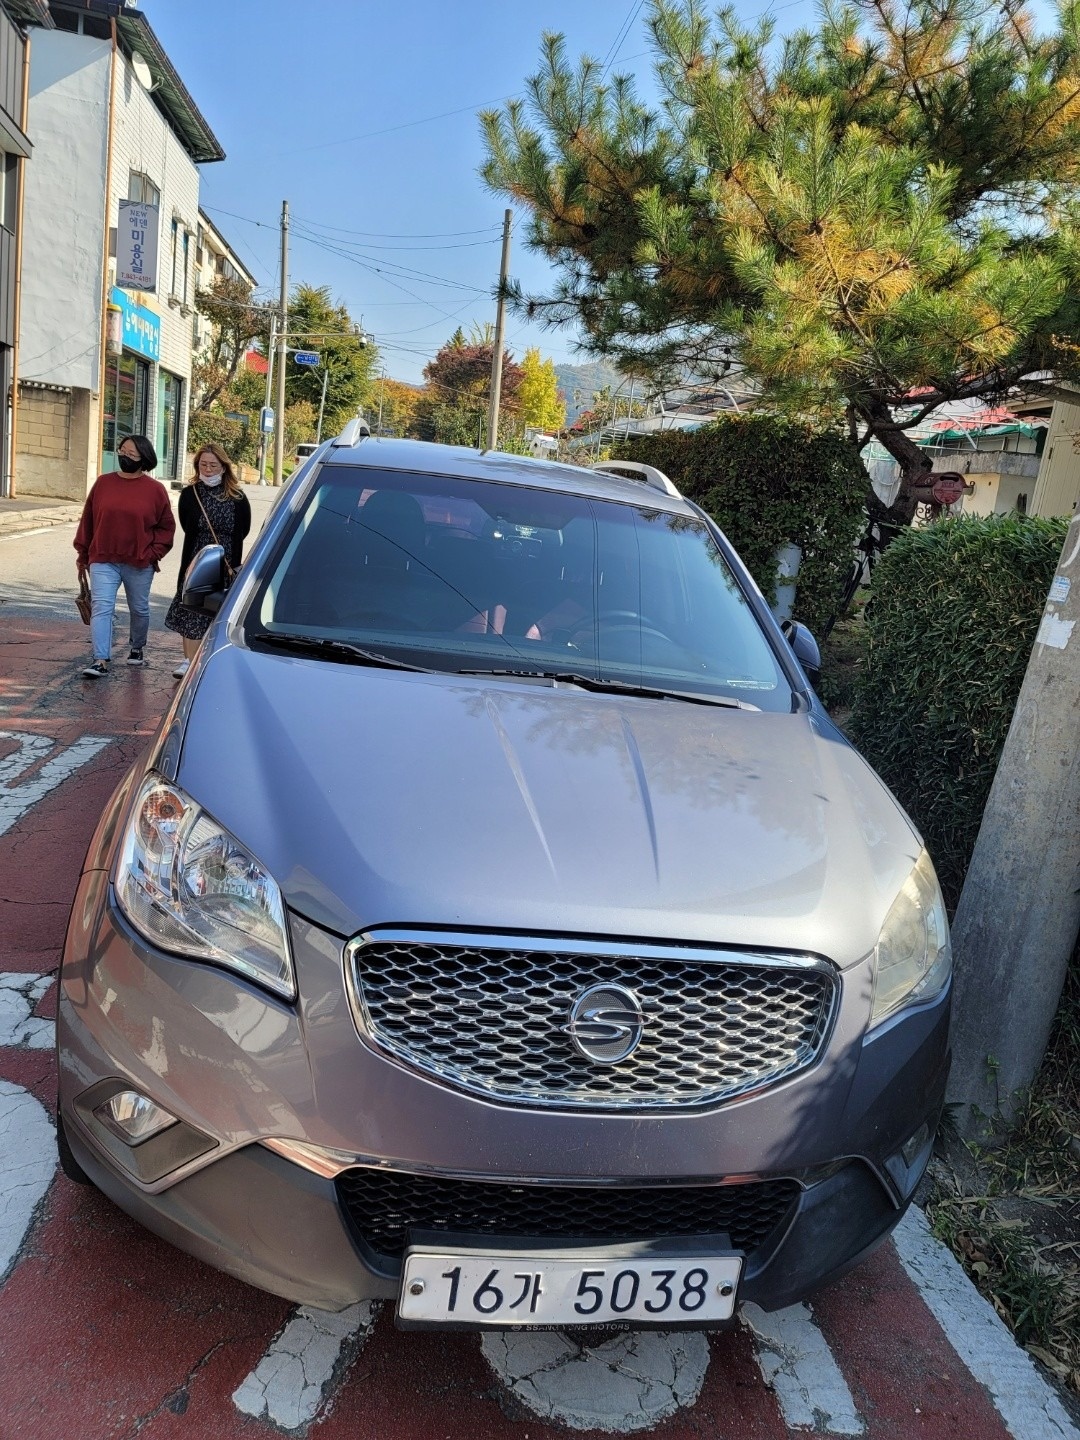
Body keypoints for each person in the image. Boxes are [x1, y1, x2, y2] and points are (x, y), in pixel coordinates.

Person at [74, 434, 175, 678]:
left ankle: (137, 647)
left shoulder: (155, 490)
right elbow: (88, 519)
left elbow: (166, 528)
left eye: (132, 454)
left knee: (139, 609)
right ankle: (100, 659)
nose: (125, 456)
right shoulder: (103, 483)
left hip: (139, 561)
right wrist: (83, 553)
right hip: (103, 558)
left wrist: (153, 553)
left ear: (144, 458)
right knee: (101, 607)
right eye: (122, 451)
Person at [165, 443, 252, 678]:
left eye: (213, 465)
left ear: (224, 467)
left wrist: (231, 560)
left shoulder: (237, 497)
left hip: (226, 563)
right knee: (192, 609)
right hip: (197, 561)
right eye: (203, 464)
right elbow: (187, 526)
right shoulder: (190, 494)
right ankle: (188, 662)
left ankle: (208, 661)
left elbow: (243, 530)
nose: (208, 469)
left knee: (218, 612)